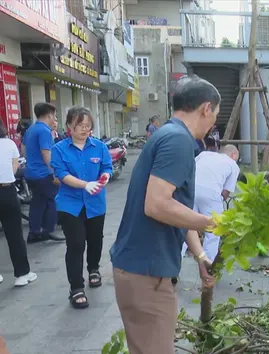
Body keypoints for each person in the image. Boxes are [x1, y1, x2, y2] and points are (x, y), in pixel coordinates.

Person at [109, 76, 220, 354]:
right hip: (147, 273)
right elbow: (157, 205)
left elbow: (177, 209)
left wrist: (201, 256)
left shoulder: (170, 135)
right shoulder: (178, 140)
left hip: (142, 269)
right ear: (206, 108)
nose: (213, 122)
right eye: (215, 114)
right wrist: (210, 222)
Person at [51, 107, 113, 309]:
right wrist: (85, 184)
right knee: (76, 243)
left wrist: (105, 177)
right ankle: (76, 287)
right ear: (69, 125)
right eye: (80, 126)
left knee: (95, 239)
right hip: (70, 204)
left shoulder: (99, 147)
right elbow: (61, 175)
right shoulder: (59, 149)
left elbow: (107, 167)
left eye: (88, 126)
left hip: (95, 203)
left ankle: (93, 269)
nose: (85, 130)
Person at [181, 143, 240, 261]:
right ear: (233, 155)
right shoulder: (233, 165)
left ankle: (176, 260)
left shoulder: (204, 154)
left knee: (185, 226)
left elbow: (190, 168)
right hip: (211, 193)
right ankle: (208, 267)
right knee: (213, 232)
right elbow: (226, 192)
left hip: (191, 189)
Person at [22, 102, 65, 243]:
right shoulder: (44, 131)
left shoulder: (31, 129)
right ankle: (48, 230)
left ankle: (34, 232)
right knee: (53, 200)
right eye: (54, 115)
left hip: (30, 173)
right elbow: (46, 154)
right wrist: (56, 173)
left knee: (37, 202)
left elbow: (23, 149)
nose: (55, 118)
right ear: (49, 115)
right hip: (43, 174)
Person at [0, 124, 37, 287]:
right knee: (14, 234)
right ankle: (22, 274)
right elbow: (14, 167)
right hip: (6, 190)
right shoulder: (8, 143)